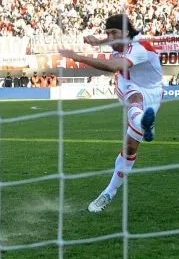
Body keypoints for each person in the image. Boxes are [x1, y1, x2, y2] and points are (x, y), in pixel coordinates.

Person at [58, 14, 162, 213]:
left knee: (130, 148)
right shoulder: (122, 40)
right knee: (134, 98)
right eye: (108, 33)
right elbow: (114, 47)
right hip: (128, 84)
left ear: (126, 32)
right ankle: (108, 193)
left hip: (154, 92)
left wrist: (78, 57)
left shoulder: (139, 48)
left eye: (113, 32)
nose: (110, 37)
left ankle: (143, 123)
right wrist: (99, 41)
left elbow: (114, 66)